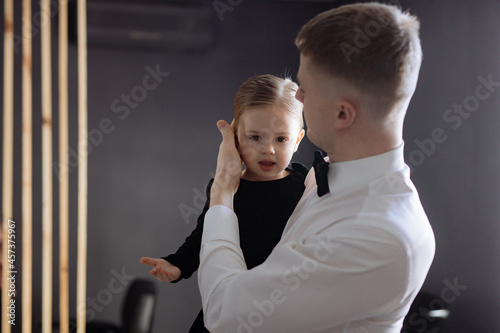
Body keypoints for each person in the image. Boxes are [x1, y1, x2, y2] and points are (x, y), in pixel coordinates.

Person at [197, 3, 436, 333]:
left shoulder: (376, 235)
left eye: (304, 90)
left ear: (342, 114)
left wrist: (223, 190)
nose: (298, 99)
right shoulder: (323, 174)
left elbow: (225, 312)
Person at [140, 74, 307, 332]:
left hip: (281, 305)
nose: (268, 149)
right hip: (232, 298)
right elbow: (203, 236)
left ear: (297, 140)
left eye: (281, 139)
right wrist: (177, 264)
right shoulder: (228, 188)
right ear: (235, 137)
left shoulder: (305, 183)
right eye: (255, 137)